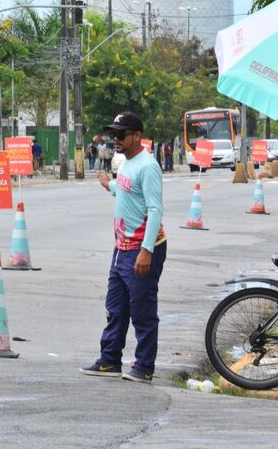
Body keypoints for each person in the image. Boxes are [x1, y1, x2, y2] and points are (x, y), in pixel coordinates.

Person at [79, 111, 167, 383]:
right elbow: (128, 190)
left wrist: (146, 250)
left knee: (142, 310)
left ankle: (144, 366)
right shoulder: (127, 163)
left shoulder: (148, 166)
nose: (115, 139)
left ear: (137, 136)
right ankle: (110, 360)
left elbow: (154, 210)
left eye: (120, 135)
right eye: (113, 134)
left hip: (142, 248)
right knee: (116, 307)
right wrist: (110, 186)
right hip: (121, 248)